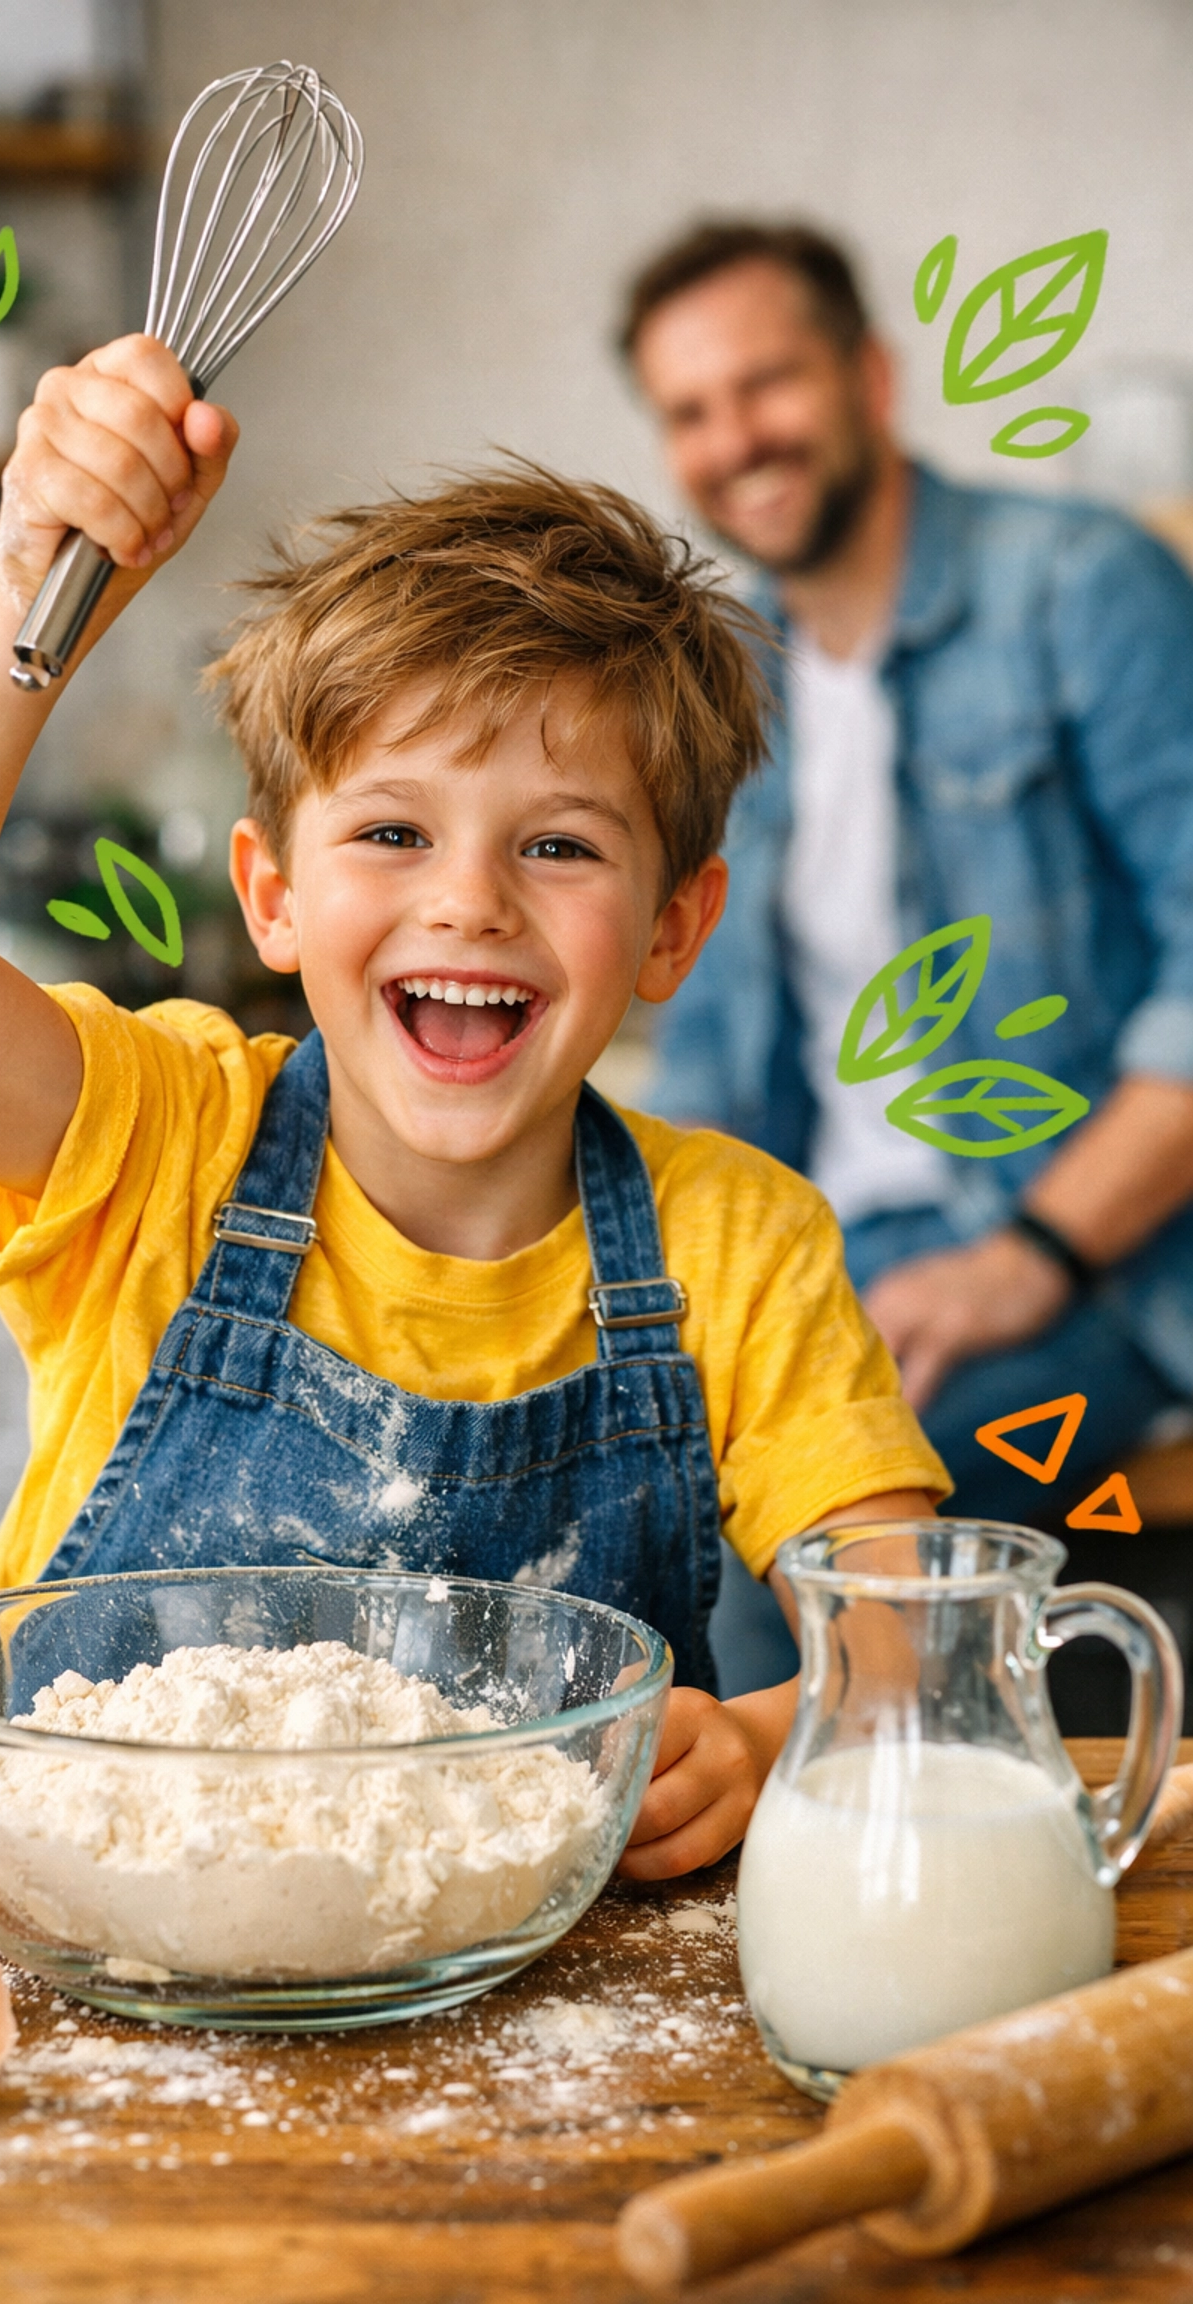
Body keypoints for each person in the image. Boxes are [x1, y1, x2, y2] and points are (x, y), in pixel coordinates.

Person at [0, 333, 944, 1877]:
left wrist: (776, 1737)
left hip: (565, 2025)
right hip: (119, 1969)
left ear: (675, 925)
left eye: (562, 847)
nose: (468, 903)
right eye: (392, 829)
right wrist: (36, 605)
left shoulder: (738, 1243)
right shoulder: (160, 1142)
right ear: (270, 894)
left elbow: (923, 1641)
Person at [624, 219, 1193, 1537]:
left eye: (767, 383)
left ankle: (829, 1745)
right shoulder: (732, 676)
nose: (736, 437)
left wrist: (1027, 1259)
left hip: (1094, 1263)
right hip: (824, 1249)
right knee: (593, 1449)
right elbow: (710, 1056)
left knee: (787, 1511)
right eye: (691, 410)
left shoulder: (1080, 586)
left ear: (869, 379)